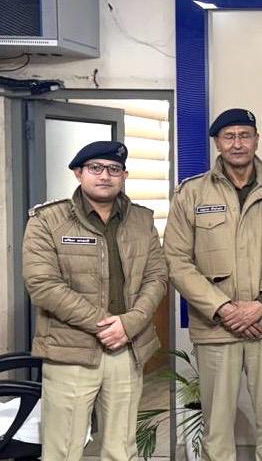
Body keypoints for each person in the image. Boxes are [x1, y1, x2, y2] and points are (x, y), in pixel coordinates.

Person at [164, 108, 262, 461]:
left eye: (245, 135)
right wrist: (224, 309)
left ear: (257, 140)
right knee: (217, 426)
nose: (237, 143)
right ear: (217, 143)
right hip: (216, 327)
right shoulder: (192, 193)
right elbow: (176, 261)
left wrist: (261, 305)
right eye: (229, 137)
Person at [22, 140, 168, 461]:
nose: (105, 175)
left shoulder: (141, 219)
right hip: (71, 348)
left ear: (124, 175)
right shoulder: (47, 220)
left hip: (127, 348)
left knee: (121, 450)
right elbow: (42, 285)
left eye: (114, 169)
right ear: (79, 173)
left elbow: (157, 276)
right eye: (95, 168)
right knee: (63, 450)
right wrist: (104, 325)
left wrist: (129, 324)